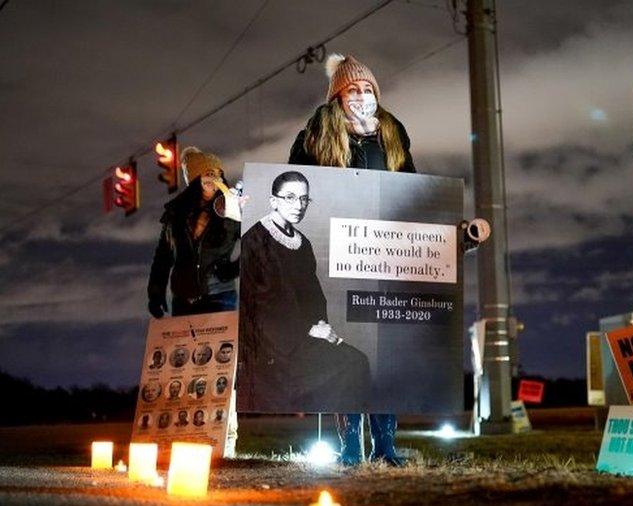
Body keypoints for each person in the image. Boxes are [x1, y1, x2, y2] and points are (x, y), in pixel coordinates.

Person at [287, 53, 487, 466]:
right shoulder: (314, 135)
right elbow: (299, 189)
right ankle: (349, 447)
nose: (361, 96)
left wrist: (449, 228)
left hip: (386, 257)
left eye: (367, 89)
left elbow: (414, 194)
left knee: (386, 354)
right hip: (338, 256)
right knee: (348, 352)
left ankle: (386, 446)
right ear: (337, 97)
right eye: (352, 90)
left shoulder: (393, 136)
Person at [239, 170, 371, 412]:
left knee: (357, 360)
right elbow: (256, 307)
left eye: (303, 199)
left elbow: (312, 296)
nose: (298, 205)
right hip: (272, 345)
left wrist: (323, 328)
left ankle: (347, 440)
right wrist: (308, 330)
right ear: (273, 201)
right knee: (351, 364)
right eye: (290, 197)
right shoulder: (253, 242)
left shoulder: (303, 243)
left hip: (305, 336)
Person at [148, 147, 240, 318]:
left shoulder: (232, 208)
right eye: (208, 173)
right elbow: (163, 257)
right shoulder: (175, 214)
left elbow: (256, 244)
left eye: (217, 173)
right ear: (195, 177)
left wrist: (233, 269)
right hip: (182, 300)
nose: (214, 178)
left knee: (219, 345)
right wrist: (155, 293)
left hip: (219, 296)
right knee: (182, 346)